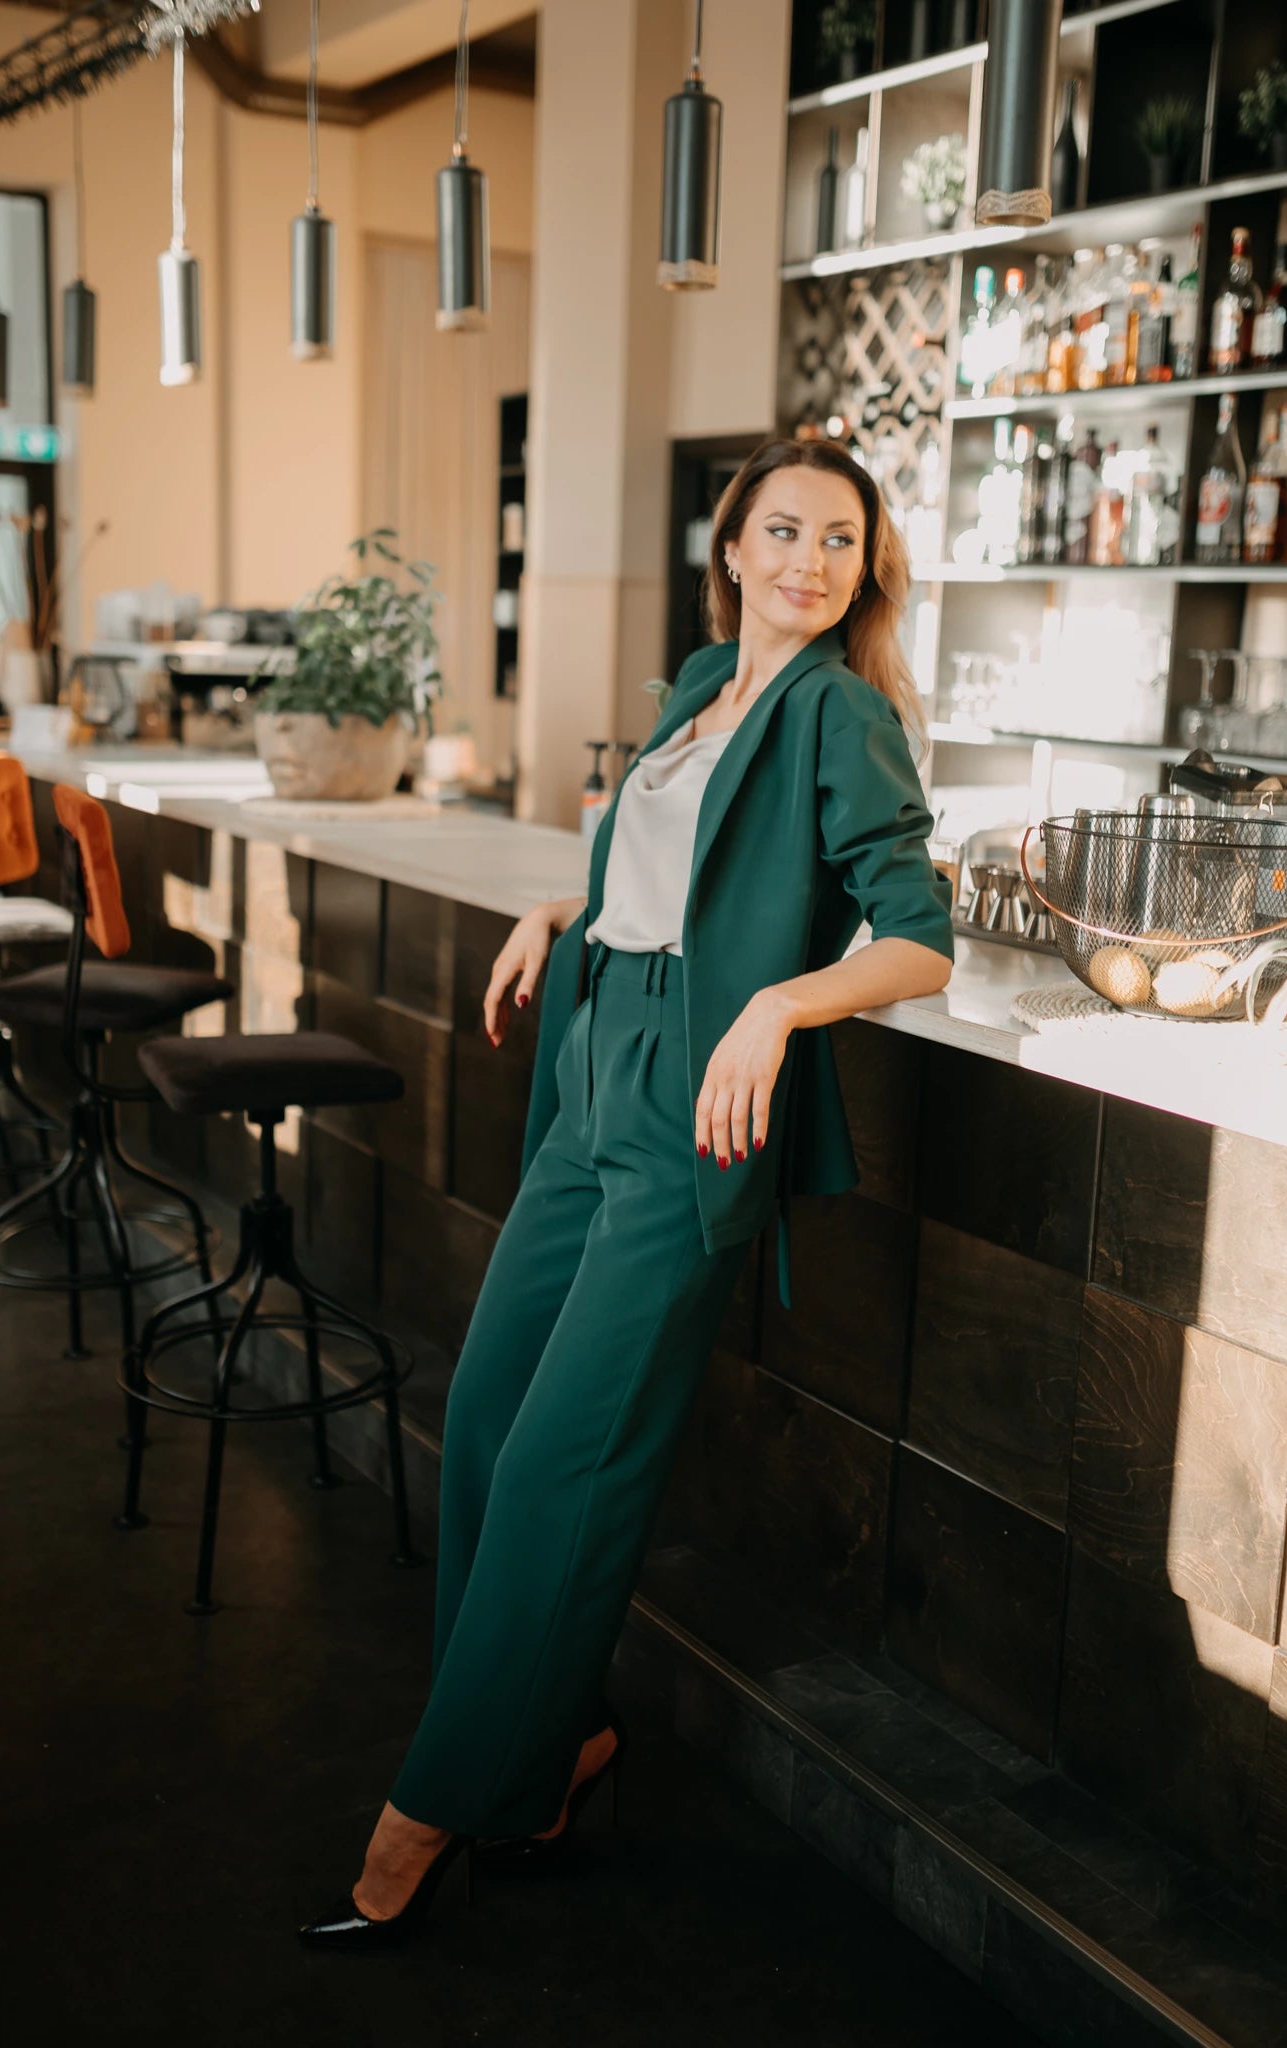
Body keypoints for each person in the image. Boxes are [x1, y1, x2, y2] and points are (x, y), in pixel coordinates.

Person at [298, 435, 955, 1950]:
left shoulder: (838, 716)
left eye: (837, 542)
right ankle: (550, 1755)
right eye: (780, 531)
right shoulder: (694, 689)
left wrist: (779, 1007)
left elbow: (918, 939)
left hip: (694, 1112)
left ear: (864, 570)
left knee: (559, 1470)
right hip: (592, 1075)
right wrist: (560, 907)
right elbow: (654, 876)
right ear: (729, 547)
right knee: (478, 1424)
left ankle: (435, 1804)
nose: (806, 560)